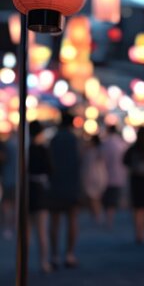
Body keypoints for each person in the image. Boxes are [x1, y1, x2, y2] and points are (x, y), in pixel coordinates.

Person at [48, 110, 82, 268]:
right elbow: (79, 161)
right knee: (72, 220)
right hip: (72, 183)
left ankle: (54, 255)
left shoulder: (54, 139)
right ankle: (69, 254)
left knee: (54, 221)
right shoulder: (75, 140)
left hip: (55, 183)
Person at [28, 121, 53, 273]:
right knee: (42, 230)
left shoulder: (27, 149)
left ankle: (24, 261)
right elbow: (51, 169)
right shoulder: (44, 149)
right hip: (40, 190)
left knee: (27, 231)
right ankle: (43, 262)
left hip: (28, 189)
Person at [123, 128, 144, 244]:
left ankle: (138, 231)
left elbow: (124, 160)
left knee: (137, 207)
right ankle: (142, 232)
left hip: (135, 180)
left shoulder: (133, 148)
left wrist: (133, 167)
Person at [101, 125, 128, 228]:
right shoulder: (121, 144)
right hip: (118, 175)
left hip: (105, 175)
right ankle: (110, 219)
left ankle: (108, 219)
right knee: (113, 198)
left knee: (108, 198)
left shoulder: (105, 143)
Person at [82, 135, 108, 224]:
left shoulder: (90, 152)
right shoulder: (101, 151)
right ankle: (98, 215)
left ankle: (96, 216)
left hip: (92, 176)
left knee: (93, 198)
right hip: (101, 177)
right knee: (97, 197)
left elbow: (87, 166)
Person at [0, 131, 17, 239]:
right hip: (14, 179)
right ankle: (12, 226)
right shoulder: (17, 145)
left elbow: (3, 158)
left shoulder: (7, 146)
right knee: (13, 204)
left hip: (8, 178)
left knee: (7, 204)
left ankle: (8, 226)